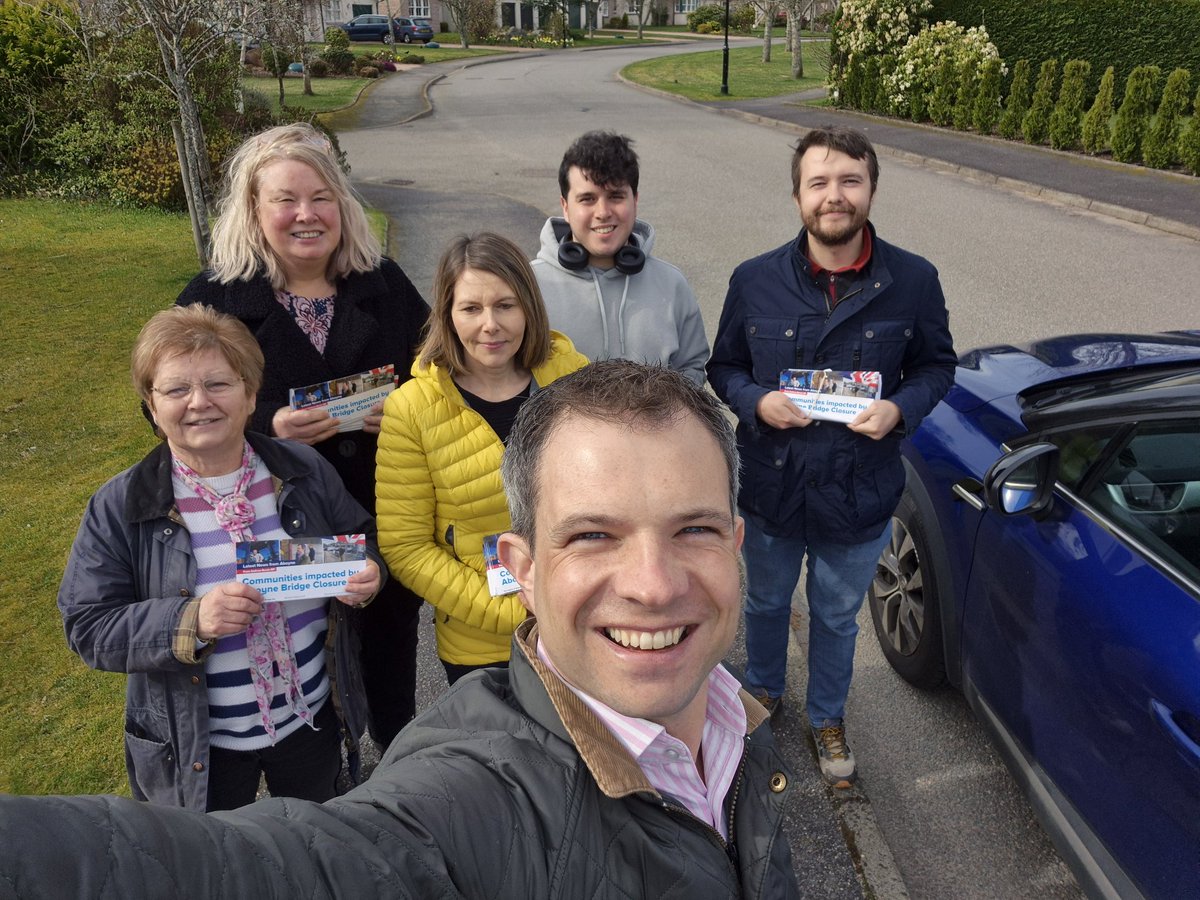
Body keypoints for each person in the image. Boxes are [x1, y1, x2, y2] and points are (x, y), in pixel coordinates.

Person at [0, 361, 800, 899]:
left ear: (735, 545)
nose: (655, 585)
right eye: (592, 536)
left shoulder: (731, 714)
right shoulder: (473, 793)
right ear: (519, 566)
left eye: (692, 530)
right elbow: (276, 868)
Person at [57, 304, 383, 812]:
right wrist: (192, 620)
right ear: (151, 403)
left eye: (218, 384)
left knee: (308, 856)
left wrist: (369, 574)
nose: (199, 403)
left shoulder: (302, 468)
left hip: (310, 720)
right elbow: (88, 626)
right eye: (176, 389)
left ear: (250, 394)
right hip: (200, 749)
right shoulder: (123, 505)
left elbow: (362, 537)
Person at [707, 125, 956, 788]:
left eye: (850, 180)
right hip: (771, 487)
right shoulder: (754, 280)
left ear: (870, 189)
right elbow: (724, 365)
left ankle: (827, 714)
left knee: (838, 615)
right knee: (762, 603)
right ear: (798, 196)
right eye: (819, 182)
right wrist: (756, 402)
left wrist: (902, 408)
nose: (835, 195)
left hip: (859, 490)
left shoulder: (913, 281)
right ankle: (761, 693)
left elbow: (936, 365)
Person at [177, 122, 429, 751]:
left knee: (390, 660)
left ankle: (403, 779)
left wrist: (404, 404)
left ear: (342, 205)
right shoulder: (215, 301)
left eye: (320, 197)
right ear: (254, 210)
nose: (305, 214)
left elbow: (438, 366)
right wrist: (267, 425)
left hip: (381, 513)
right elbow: (166, 403)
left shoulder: (384, 283)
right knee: (302, 672)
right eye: (284, 200)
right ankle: (320, 788)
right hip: (273, 533)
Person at [376, 232, 587, 685]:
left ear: (529, 307)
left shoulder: (575, 379)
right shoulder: (411, 408)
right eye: (471, 308)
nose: (489, 324)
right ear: (447, 316)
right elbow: (406, 547)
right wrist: (512, 610)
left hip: (580, 623)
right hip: (480, 647)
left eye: (505, 305)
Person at [531, 130, 709, 386]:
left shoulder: (672, 284)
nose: (603, 212)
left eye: (615, 196)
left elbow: (692, 368)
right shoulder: (529, 286)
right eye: (587, 199)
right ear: (565, 207)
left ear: (635, 200)